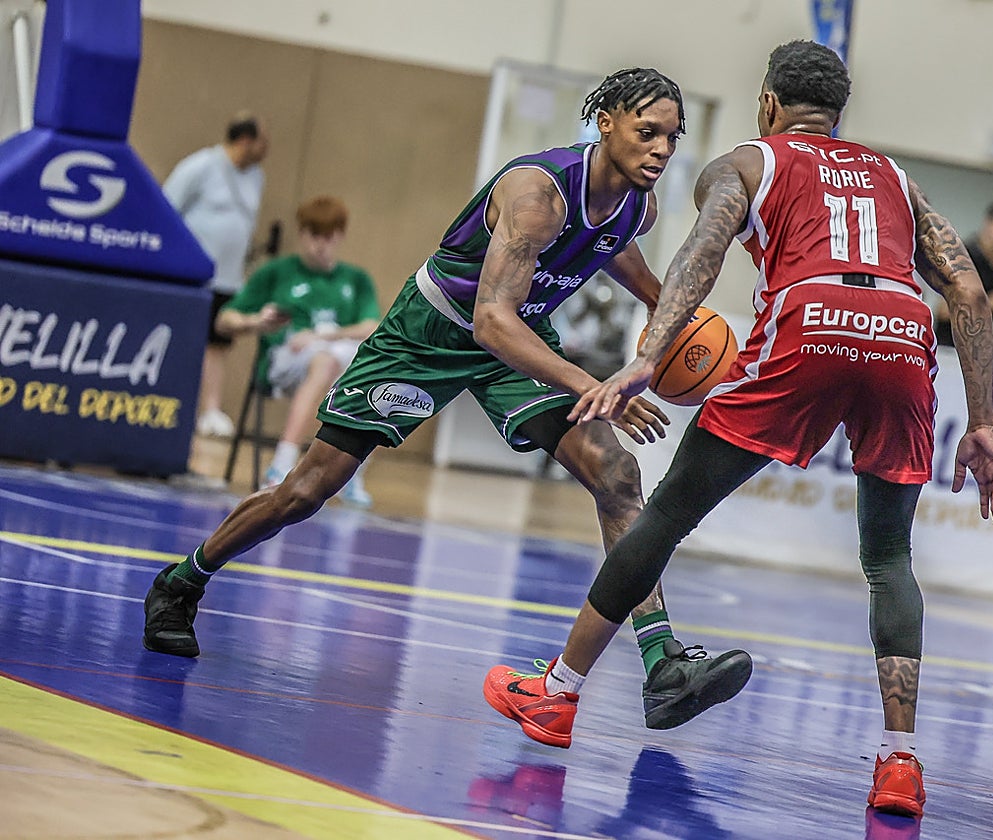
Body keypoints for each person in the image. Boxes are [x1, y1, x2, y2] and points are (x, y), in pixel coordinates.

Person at [484, 41, 993, 820]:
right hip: (903, 331)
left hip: (812, 318)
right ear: (840, 114)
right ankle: (900, 764)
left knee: (663, 515)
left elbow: (700, 256)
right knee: (890, 556)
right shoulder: (897, 179)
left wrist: (649, 357)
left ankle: (558, 694)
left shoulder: (746, 163)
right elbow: (966, 288)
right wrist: (985, 424)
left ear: (768, 102)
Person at [142, 69, 752, 733]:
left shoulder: (637, 205)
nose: (662, 149)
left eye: (672, 136)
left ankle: (662, 663)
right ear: (605, 121)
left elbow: (618, 258)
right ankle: (183, 579)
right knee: (307, 490)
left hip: (518, 339)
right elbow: (490, 321)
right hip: (430, 333)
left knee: (617, 473)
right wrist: (593, 385)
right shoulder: (535, 196)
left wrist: (675, 335)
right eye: (648, 132)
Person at [215, 196, 380, 507]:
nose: (320, 245)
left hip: (339, 363)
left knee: (379, 373)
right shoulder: (276, 272)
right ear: (302, 234)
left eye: (328, 237)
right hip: (283, 361)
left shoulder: (356, 280)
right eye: (313, 235)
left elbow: (372, 326)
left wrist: (321, 335)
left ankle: (352, 472)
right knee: (325, 360)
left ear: (340, 236)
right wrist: (256, 321)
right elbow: (224, 321)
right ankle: (282, 466)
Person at [163, 111, 270, 439]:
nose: (265, 149)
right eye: (260, 142)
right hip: (196, 275)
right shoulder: (201, 166)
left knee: (218, 345)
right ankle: (177, 403)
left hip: (230, 277)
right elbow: (168, 207)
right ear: (244, 141)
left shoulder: (255, 177)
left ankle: (210, 409)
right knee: (188, 340)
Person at [932, 200, 993, 353]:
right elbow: (943, 311)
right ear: (989, 224)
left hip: (988, 353)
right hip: (953, 352)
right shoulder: (963, 257)